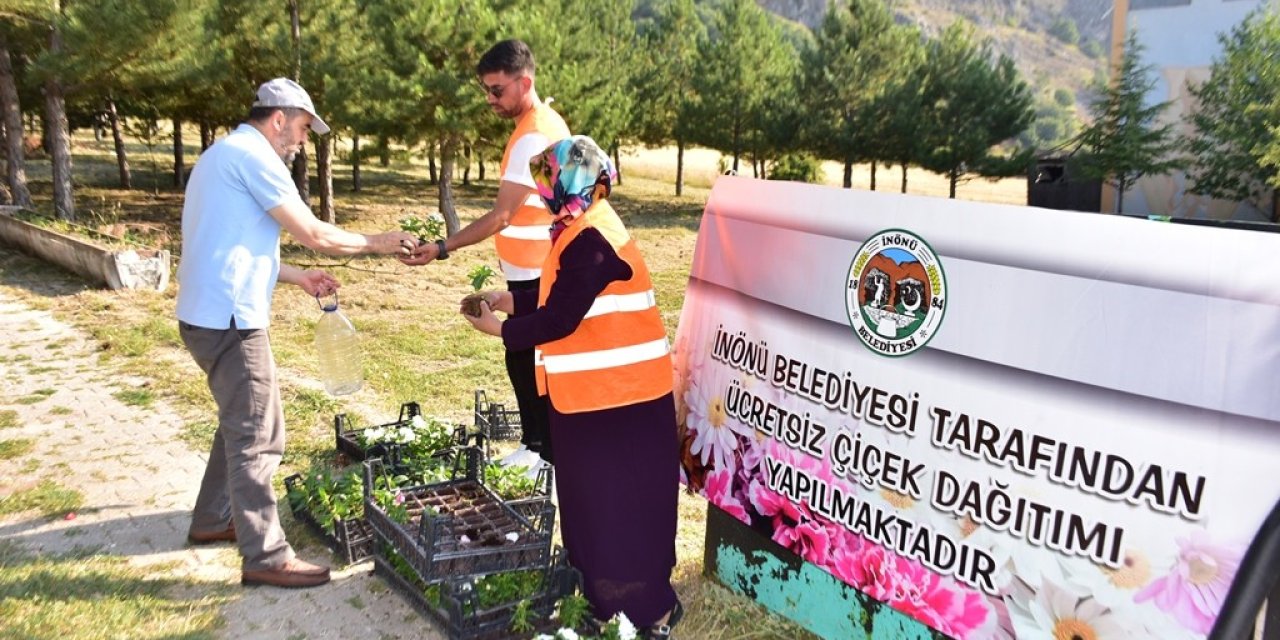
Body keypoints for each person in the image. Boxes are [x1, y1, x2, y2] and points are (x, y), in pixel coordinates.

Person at [175, 77, 417, 589]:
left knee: (239, 420)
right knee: (259, 432)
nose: (304, 140)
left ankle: (211, 519)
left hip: (202, 314)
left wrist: (297, 277)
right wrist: (380, 241)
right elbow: (316, 233)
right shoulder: (257, 158)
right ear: (279, 118)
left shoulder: (222, 154)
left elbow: (230, 242)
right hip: (231, 321)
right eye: (304, 128)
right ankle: (265, 554)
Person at [462, 136, 682, 637]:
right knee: (591, 504)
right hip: (594, 399)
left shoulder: (592, 237)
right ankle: (603, 603)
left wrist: (501, 331)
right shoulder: (578, 228)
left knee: (619, 506)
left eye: (546, 185)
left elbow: (561, 317)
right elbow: (559, 297)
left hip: (621, 402)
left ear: (569, 182)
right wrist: (508, 299)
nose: (541, 197)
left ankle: (646, 611)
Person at [402, 39, 569, 471]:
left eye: (497, 90)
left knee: (529, 360)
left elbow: (501, 216)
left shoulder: (534, 133)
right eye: (485, 90)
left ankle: (545, 454)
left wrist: (442, 247)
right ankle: (536, 446)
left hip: (537, 270)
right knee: (524, 358)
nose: (490, 100)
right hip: (532, 267)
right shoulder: (542, 121)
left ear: (524, 82)